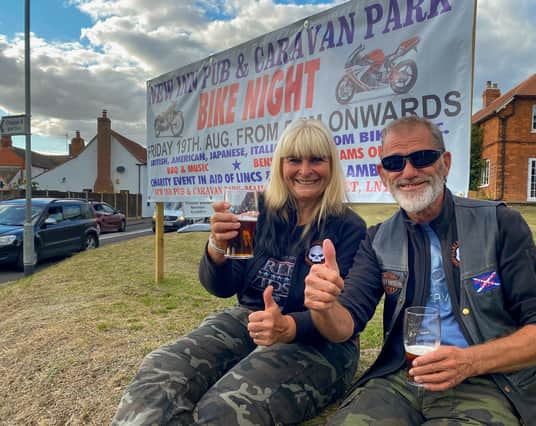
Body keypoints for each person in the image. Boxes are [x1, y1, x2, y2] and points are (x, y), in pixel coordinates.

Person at [304, 116, 536, 425]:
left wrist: (469, 361)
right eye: (394, 163)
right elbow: (345, 324)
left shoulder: (499, 223)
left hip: (487, 382)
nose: (408, 172)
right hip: (401, 378)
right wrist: (323, 307)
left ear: (445, 162)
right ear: (382, 174)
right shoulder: (379, 239)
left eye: (422, 158)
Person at [113, 118, 367, 425]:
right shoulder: (254, 208)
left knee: (225, 407)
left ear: (332, 165)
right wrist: (217, 247)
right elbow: (223, 286)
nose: (304, 170)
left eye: (316, 160)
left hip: (319, 342)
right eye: (294, 160)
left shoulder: (349, 227)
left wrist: (288, 326)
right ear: (280, 165)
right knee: (161, 370)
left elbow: (345, 317)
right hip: (249, 319)